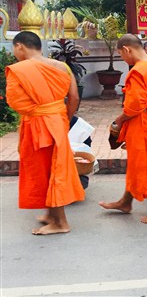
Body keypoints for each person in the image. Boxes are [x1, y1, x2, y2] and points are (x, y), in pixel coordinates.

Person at [5, 31, 85, 235]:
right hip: (57, 120)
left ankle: (61, 223)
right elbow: (74, 98)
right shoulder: (62, 66)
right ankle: (51, 214)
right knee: (53, 167)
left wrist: (41, 110)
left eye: (15, 49)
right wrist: (63, 120)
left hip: (38, 124)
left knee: (47, 170)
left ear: (20, 46)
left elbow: (15, 102)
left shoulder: (20, 70)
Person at [99, 34, 147, 224]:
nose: (122, 59)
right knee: (139, 163)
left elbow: (135, 106)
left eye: (121, 54)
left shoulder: (138, 71)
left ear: (127, 49)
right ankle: (125, 202)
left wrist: (119, 119)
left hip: (145, 123)